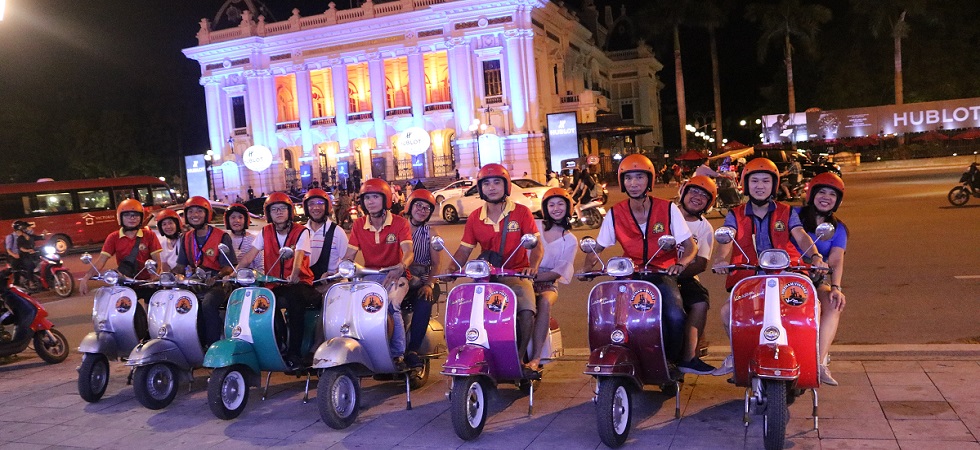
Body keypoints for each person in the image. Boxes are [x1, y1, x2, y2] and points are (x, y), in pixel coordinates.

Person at [581, 154, 709, 373]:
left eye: (639, 177)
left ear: (649, 180)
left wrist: (681, 263)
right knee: (609, 317)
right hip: (629, 275)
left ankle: (671, 362)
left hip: (661, 274)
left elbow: (690, 246)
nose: (634, 183)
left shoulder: (668, 209)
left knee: (675, 316)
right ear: (622, 182)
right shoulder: (615, 213)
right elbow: (598, 248)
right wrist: (586, 269)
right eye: (629, 178)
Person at [711, 158, 829, 376]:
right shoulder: (735, 213)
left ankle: (814, 358)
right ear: (746, 185)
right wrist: (721, 261)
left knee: (811, 309)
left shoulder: (786, 211)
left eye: (766, 181)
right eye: (754, 180)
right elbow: (726, 239)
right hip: (750, 274)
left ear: (773, 185)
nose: (760, 185)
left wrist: (815, 256)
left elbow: (800, 235)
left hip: (785, 273)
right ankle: (737, 354)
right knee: (728, 312)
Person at [451, 164, 544, 377]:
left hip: (517, 275)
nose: (492, 187)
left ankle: (519, 358)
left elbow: (537, 246)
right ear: (481, 188)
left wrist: (533, 267)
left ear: (506, 186)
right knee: (463, 311)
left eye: (496, 182)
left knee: (527, 310)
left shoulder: (521, 213)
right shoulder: (475, 217)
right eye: (486, 183)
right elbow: (464, 251)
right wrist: (449, 270)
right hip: (487, 278)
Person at [237, 193, 318, 367]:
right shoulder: (265, 232)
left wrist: (295, 273)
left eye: (282, 209)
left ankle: (294, 353)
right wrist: (234, 272)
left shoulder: (301, 231)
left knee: (295, 302)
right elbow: (249, 256)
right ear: (268, 213)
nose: (279, 212)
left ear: (290, 211)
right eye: (274, 209)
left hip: (299, 282)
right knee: (262, 303)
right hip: (274, 282)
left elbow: (299, 255)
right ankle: (278, 343)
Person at [342, 179, 414, 370]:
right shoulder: (358, 225)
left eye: (375, 197)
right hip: (369, 276)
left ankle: (397, 354)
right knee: (351, 307)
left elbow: (408, 252)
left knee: (392, 305)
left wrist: (401, 266)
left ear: (386, 200)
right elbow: (349, 255)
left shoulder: (399, 223)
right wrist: (341, 268)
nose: (370, 201)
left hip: (396, 275)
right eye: (366, 198)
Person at [791, 172, 849, 386]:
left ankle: (818, 362)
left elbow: (836, 259)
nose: (826, 197)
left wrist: (836, 286)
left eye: (832, 194)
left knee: (834, 304)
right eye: (821, 192)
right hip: (785, 277)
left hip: (814, 280)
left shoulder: (838, 228)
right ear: (811, 194)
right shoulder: (793, 215)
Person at [171, 197, 237, 348]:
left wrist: (217, 277)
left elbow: (228, 266)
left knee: (207, 304)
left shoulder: (221, 236)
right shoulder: (186, 237)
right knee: (177, 301)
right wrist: (169, 276)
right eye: (191, 211)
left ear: (207, 214)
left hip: (218, 283)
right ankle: (186, 344)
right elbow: (181, 265)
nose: (195, 214)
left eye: (199, 211)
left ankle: (213, 346)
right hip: (195, 282)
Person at [528, 188, 577, 370]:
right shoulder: (535, 225)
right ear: (545, 208)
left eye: (560, 204)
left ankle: (536, 356)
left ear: (568, 208)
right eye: (551, 204)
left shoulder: (569, 240)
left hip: (547, 283)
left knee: (545, 303)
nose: (556, 208)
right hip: (522, 276)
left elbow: (558, 272)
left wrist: (534, 276)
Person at [674, 176, 719, 373]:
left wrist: (676, 273)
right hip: (652, 273)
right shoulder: (664, 212)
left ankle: (689, 357)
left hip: (684, 277)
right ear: (683, 192)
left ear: (709, 203)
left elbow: (701, 263)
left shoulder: (704, 227)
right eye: (694, 191)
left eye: (704, 196)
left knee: (700, 301)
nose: (697, 197)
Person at [80, 199, 163, 297]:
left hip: (147, 282)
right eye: (127, 215)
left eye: (135, 215)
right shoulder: (113, 237)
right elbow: (101, 260)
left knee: (153, 307)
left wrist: (154, 277)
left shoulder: (149, 235)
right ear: (120, 217)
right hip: (125, 281)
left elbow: (157, 260)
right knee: (122, 309)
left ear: (141, 218)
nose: (132, 218)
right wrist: (85, 278)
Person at [400, 189, 442, 369]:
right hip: (400, 276)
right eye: (419, 205)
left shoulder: (431, 232)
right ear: (410, 206)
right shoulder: (398, 227)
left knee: (424, 300)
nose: (422, 210)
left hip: (424, 277)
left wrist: (429, 284)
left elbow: (436, 264)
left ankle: (413, 350)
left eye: (427, 208)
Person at [303, 189, 348, 285]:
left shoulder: (337, 232)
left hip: (331, 286)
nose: (316, 207)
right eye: (311, 204)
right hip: (306, 287)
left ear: (327, 206)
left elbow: (347, 263)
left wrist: (334, 275)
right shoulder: (301, 232)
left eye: (320, 203)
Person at [225, 203, 262, 272]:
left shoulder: (253, 240)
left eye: (240, 217)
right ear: (228, 220)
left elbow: (260, 265)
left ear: (246, 220)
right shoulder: (225, 240)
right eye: (233, 217)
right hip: (230, 279)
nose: (237, 220)